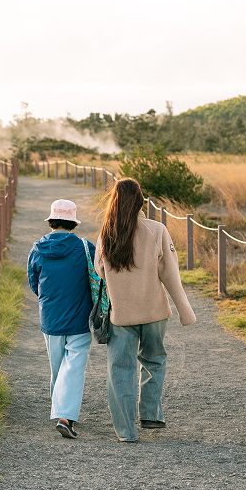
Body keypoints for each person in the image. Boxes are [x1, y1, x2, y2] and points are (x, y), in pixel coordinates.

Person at [92, 176, 196, 442]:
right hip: (154, 313)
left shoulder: (107, 234)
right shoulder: (156, 230)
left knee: (120, 371)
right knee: (154, 361)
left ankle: (127, 431)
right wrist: (185, 311)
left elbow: (100, 271)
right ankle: (150, 414)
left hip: (121, 315)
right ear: (140, 201)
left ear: (114, 201)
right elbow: (171, 274)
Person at [25, 198, 94, 439]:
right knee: (73, 367)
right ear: (73, 222)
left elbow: (34, 282)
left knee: (58, 368)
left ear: (52, 220)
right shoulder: (85, 247)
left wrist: (49, 300)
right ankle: (65, 417)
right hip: (79, 318)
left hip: (50, 318)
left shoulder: (37, 248)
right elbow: (97, 280)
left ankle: (60, 411)